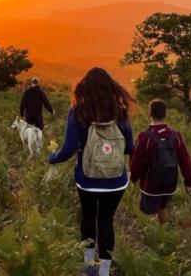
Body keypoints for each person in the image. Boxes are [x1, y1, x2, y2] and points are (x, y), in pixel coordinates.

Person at [48, 68, 134, 276]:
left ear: (83, 87)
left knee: (87, 219)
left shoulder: (77, 111)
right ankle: (104, 271)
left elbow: (68, 149)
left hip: (87, 180)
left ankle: (89, 267)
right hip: (116, 181)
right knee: (106, 222)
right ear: (111, 87)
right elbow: (130, 148)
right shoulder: (119, 110)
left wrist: (53, 158)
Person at [130, 99, 191, 225]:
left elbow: (136, 163)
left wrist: (133, 178)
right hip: (169, 184)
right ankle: (165, 233)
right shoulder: (176, 136)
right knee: (162, 208)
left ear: (150, 114)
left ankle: (157, 239)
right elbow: (185, 161)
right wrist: (190, 183)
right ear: (166, 114)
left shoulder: (143, 137)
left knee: (148, 216)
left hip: (149, 186)